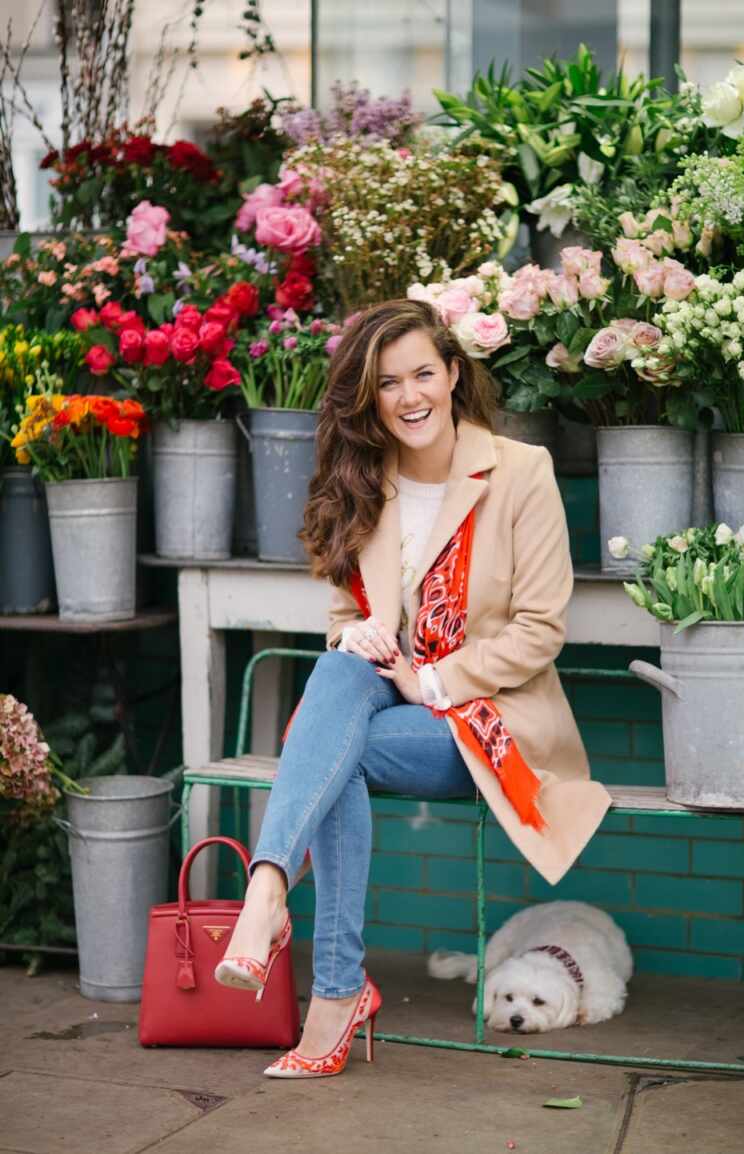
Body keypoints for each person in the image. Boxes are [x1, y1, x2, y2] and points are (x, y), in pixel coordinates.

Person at [214, 299, 611, 1079]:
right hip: (381, 701)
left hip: (488, 722)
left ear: (454, 375)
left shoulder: (519, 471)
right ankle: (287, 922)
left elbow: (540, 629)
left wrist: (428, 677)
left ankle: (298, 940)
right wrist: (353, 635)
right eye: (388, 383)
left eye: (423, 373)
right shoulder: (368, 479)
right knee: (337, 675)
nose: (408, 395)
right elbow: (342, 615)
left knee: (333, 755)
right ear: (371, 397)